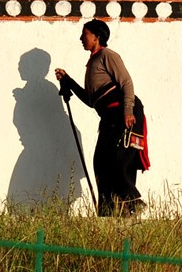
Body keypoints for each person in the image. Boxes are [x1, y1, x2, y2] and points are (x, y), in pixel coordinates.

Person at [55, 18, 149, 216]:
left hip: (124, 114)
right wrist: (69, 81)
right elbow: (91, 101)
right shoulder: (92, 64)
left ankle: (132, 202)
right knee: (101, 162)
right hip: (108, 118)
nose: (81, 38)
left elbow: (126, 83)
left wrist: (128, 111)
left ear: (97, 37)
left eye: (85, 34)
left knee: (118, 159)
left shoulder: (108, 55)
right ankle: (108, 212)